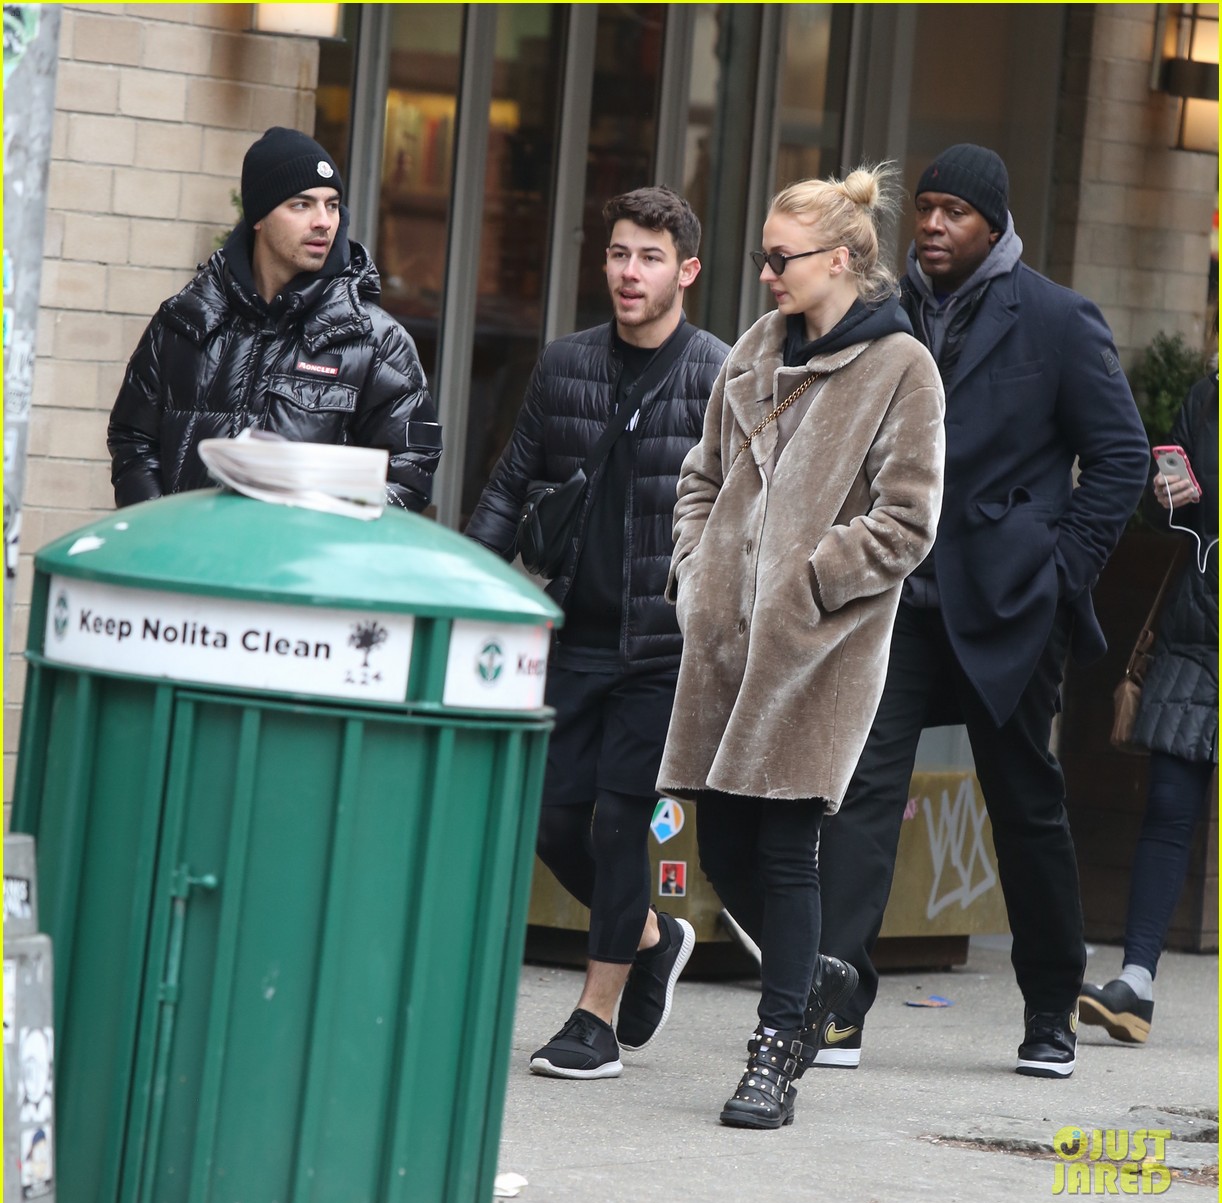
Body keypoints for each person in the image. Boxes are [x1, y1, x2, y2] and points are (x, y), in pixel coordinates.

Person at [814, 144, 1151, 1079]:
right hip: (901, 600)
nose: (931, 225)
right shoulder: (885, 319)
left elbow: (1120, 460)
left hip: (1010, 607)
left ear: (993, 225)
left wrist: (1061, 575)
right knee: (863, 791)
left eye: (953, 212)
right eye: (923, 208)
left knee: (1024, 804)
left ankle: (1050, 1011)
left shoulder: (1055, 319)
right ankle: (837, 1004)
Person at [658, 163, 946, 1129]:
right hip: (724, 646)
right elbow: (700, 477)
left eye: (781, 259)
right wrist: (697, 575)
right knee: (725, 845)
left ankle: (777, 1052)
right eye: (764, 257)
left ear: (842, 259)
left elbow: (908, 521)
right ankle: (817, 971)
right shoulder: (752, 353)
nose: (768, 275)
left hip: (820, 652)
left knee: (785, 846)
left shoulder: (902, 367)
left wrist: (810, 583)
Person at [465, 186, 729, 1080]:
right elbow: (509, 485)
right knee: (548, 817)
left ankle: (596, 1018)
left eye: (650, 257)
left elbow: (744, 518)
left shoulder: (718, 377)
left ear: (687, 271)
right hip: (575, 633)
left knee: (621, 820)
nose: (629, 272)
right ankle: (654, 935)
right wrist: (471, 584)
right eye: (619, 253)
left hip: (666, 648)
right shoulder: (565, 365)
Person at [108, 127, 442, 510]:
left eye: (332, 205)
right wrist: (159, 529)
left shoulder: (374, 341)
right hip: (190, 563)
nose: (323, 221)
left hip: (301, 567)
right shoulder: (186, 322)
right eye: (302, 205)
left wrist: (321, 544)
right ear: (259, 217)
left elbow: (409, 472)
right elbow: (133, 438)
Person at [1080, 368, 1218, 1043]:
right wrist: (1171, 495)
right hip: (1198, 631)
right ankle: (1136, 982)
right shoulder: (1209, 394)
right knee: (1168, 804)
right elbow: (1183, 513)